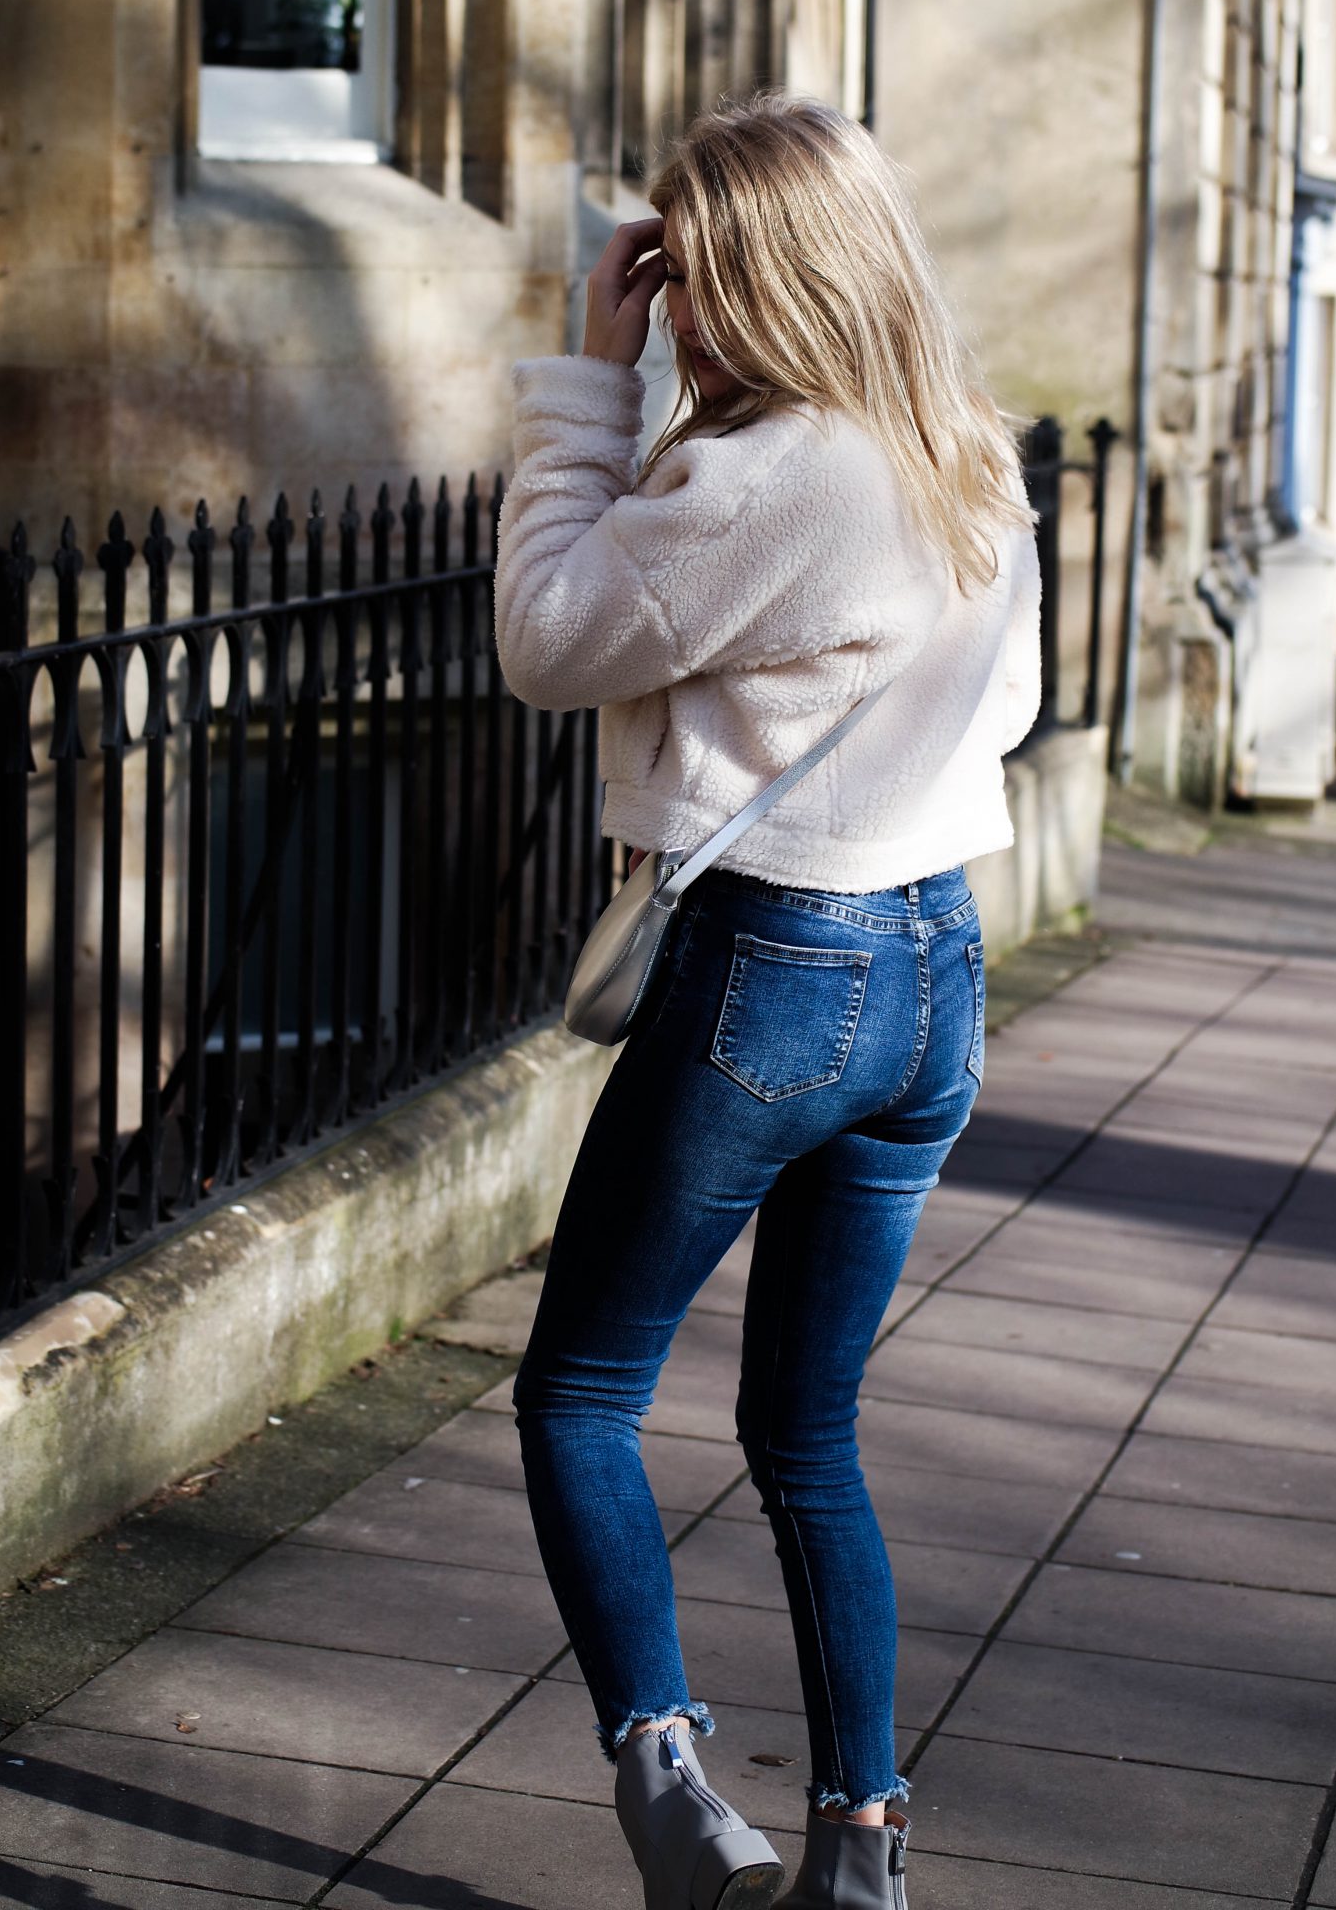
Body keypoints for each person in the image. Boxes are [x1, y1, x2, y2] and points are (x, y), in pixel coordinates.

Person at [493, 93, 1041, 1910]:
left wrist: (589, 375)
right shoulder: (965, 446)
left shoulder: (778, 473)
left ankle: (672, 1788)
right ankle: (861, 1850)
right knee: (807, 1432)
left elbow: (549, 642)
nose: (682, 314)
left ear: (774, 277)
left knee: (578, 1392)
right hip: (936, 973)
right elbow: (1013, 712)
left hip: (776, 973)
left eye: (704, 278)